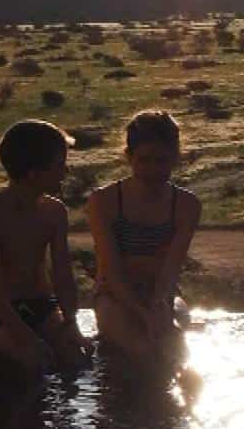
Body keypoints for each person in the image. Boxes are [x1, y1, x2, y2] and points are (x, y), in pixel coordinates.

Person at [0, 119, 90, 374]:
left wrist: (71, 323)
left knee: (75, 360)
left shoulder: (55, 212)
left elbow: (62, 274)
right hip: (2, 312)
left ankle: (66, 414)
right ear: (34, 174)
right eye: (60, 165)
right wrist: (26, 336)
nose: (66, 172)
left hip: (42, 305)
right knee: (34, 362)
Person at [86, 110, 201, 370]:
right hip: (113, 295)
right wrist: (143, 314)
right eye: (144, 160)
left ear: (175, 157)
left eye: (161, 161)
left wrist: (159, 307)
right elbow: (112, 272)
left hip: (162, 293)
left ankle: (177, 411)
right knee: (144, 350)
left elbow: (171, 271)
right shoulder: (104, 202)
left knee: (177, 350)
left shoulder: (186, 205)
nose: (153, 170)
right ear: (128, 157)